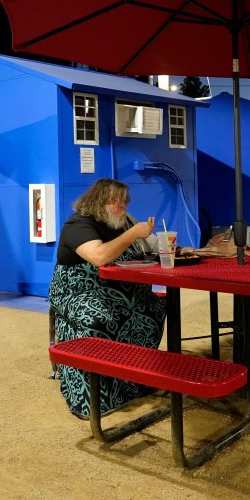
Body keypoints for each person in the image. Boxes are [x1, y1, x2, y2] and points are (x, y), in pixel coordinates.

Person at [48, 178, 165, 419]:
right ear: (99, 202)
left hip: (126, 294)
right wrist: (133, 233)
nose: (123, 207)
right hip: (82, 293)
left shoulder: (123, 223)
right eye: (117, 202)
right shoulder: (79, 224)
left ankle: (134, 383)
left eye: (126, 201)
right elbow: (99, 257)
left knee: (153, 310)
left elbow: (150, 250)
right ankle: (95, 395)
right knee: (99, 319)